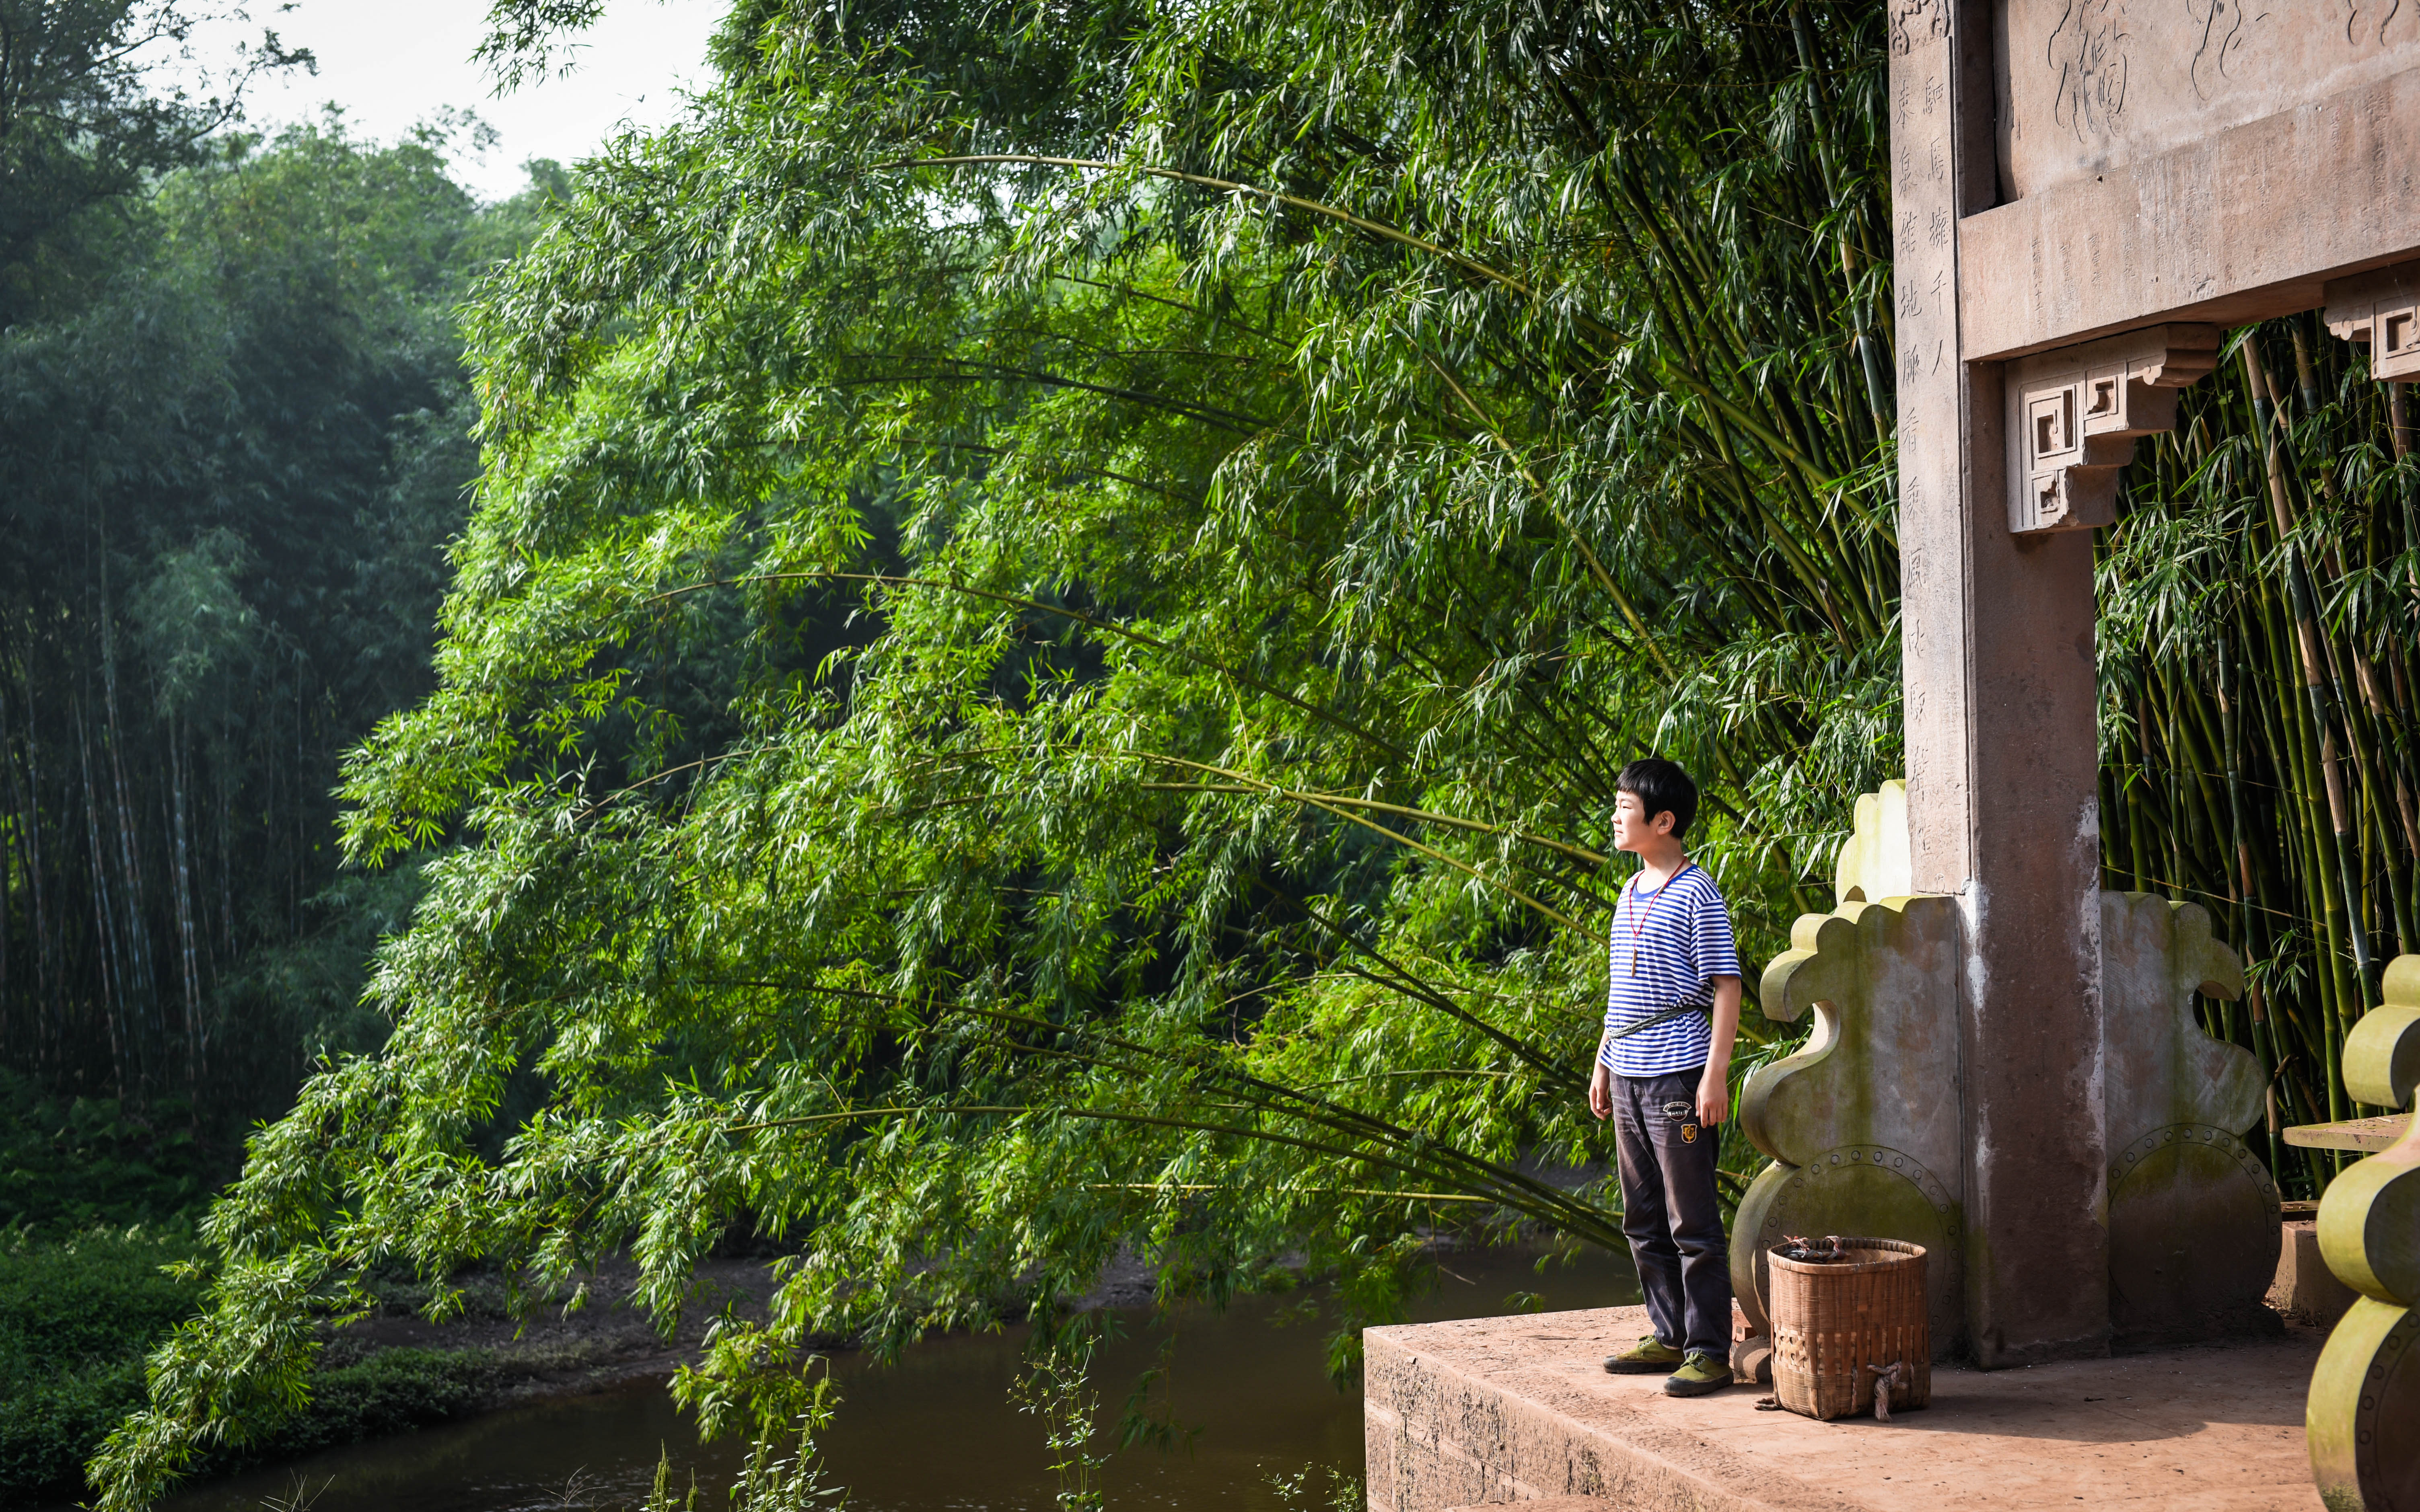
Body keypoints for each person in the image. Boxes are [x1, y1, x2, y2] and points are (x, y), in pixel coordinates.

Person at [1590, 758, 1743, 1397]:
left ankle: (1709, 1350)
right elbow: (1621, 990)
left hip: (1677, 1078)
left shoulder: (1696, 894)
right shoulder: (1630, 891)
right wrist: (1602, 1061)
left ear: (1664, 821)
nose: (1616, 817)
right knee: (1641, 1217)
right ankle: (1669, 1334)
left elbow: (1728, 987)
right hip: (1626, 1075)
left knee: (1692, 1224)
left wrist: (1715, 1077)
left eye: (1626, 808)